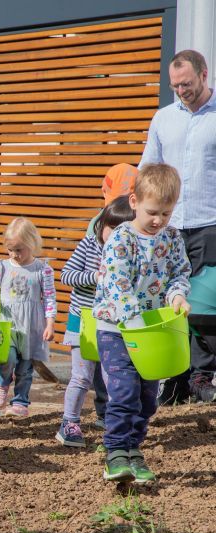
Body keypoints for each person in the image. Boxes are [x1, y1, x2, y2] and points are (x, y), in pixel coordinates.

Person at [93, 164, 191, 484]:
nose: (158, 220)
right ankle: (116, 452)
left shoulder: (172, 238)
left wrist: (177, 295)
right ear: (133, 202)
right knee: (124, 390)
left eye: (166, 212)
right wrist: (132, 318)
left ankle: (134, 449)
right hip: (117, 328)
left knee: (148, 397)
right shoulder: (122, 238)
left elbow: (179, 272)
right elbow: (117, 283)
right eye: (152, 212)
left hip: (151, 330)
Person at [140, 49, 216, 404]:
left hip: (209, 223)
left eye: (186, 83)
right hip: (168, 227)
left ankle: (202, 375)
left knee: (202, 305)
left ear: (204, 75)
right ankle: (177, 376)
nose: (181, 91)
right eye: (175, 86)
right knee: (168, 298)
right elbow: (148, 169)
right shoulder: (163, 118)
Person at [57, 196, 132, 447]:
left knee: (113, 377)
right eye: (111, 228)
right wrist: (95, 277)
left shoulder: (128, 253)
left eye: (122, 231)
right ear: (102, 225)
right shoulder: (89, 244)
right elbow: (67, 275)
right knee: (81, 376)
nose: (113, 235)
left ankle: (114, 423)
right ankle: (69, 422)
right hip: (83, 320)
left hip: (111, 323)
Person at [0, 218, 56, 418]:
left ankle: (20, 401)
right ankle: (1, 382)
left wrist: (50, 323)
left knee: (25, 366)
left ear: (32, 244)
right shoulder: (3, 267)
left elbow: (49, 297)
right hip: (8, 325)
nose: (14, 255)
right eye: (10, 250)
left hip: (31, 326)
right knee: (9, 357)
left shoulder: (43, 270)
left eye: (19, 250)